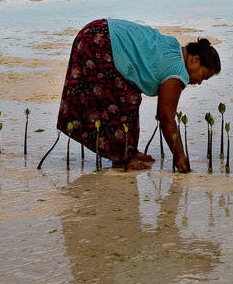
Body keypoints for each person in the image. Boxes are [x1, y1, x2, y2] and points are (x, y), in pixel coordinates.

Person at [55, 18, 220, 172]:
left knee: (129, 96)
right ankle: (122, 159)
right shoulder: (177, 71)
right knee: (126, 100)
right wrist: (180, 157)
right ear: (195, 60)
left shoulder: (174, 48)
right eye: (203, 76)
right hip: (99, 41)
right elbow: (166, 117)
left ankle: (127, 153)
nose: (199, 82)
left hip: (95, 31)